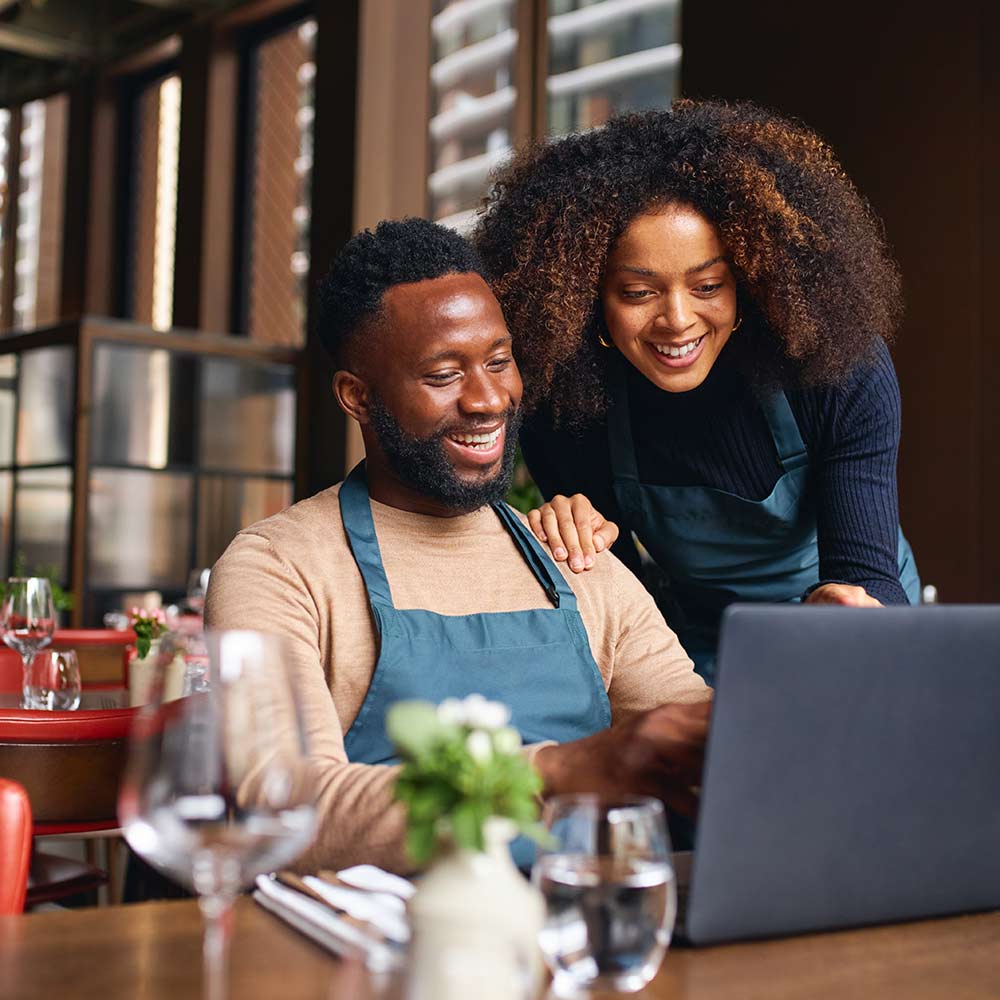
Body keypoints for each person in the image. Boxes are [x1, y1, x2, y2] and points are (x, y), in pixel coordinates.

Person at [205, 218, 711, 874]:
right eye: (445, 374)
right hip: (377, 960)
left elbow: (693, 737)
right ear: (358, 397)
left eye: (499, 361)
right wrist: (559, 770)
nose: (488, 399)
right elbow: (284, 804)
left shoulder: (575, 554)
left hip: (585, 937)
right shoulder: (278, 568)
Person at [475, 99, 920, 682]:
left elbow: (868, 573)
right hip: (697, 644)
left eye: (708, 284)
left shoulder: (835, 368)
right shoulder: (566, 405)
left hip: (849, 626)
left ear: (750, 282)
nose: (678, 320)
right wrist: (574, 542)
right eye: (638, 293)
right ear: (586, 301)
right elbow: (624, 606)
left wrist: (849, 610)